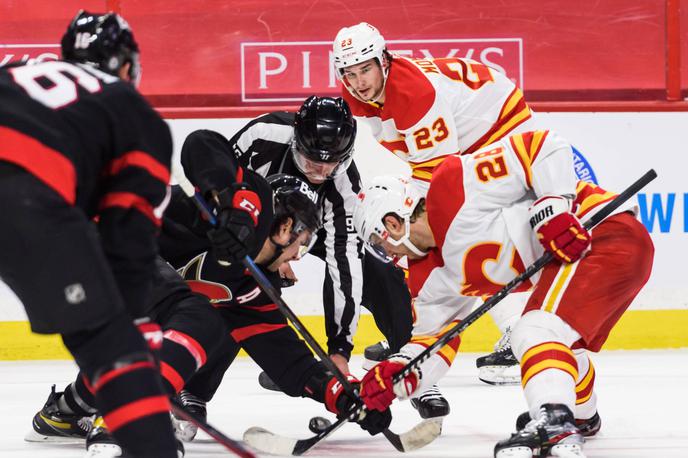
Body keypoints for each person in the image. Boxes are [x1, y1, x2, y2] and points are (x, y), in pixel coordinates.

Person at [27, 168, 392, 454]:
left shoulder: (247, 287)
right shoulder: (209, 218)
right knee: (197, 316)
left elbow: (290, 360)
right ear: (284, 228)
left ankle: (64, 412)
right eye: (302, 241)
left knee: (185, 323)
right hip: (77, 241)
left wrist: (343, 395)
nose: (299, 254)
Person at [351, 129, 654, 457]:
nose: (390, 256)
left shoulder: (454, 185)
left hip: (602, 233)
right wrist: (398, 375)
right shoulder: (429, 277)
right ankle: (581, 416)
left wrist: (554, 209)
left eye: (382, 243)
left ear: (394, 223)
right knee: (562, 346)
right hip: (582, 262)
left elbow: (541, 147)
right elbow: (433, 342)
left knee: (534, 330)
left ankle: (554, 421)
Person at [177, 96, 448, 418]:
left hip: (311, 227)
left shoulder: (344, 186)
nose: (320, 171)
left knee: (378, 269)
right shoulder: (264, 134)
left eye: (331, 163)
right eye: (311, 161)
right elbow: (221, 185)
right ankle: (195, 388)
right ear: (296, 140)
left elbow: (343, 264)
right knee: (239, 286)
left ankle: (411, 362)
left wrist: (339, 351)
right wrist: (273, 252)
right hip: (256, 224)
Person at [0, 10, 180, 458]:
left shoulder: (18, 69)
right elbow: (129, 234)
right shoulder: (133, 110)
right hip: (24, 191)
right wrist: (136, 322)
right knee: (111, 344)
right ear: (126, 65)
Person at [332, 22, 539, 385]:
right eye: (349, 73)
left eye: (365, 69)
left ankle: (518, 333)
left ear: (384, 61)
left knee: (458, 233)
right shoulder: (360, 95)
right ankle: (412, 329)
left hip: (501, 131)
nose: (359, 81)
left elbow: (440, 180)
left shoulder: (413, 95)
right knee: (420, 233)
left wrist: (402, 227)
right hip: (468, 137)